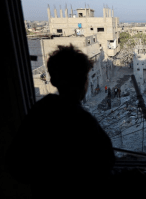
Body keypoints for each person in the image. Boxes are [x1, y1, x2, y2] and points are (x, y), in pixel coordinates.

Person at [5, 44, 116, 199]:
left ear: (53, 80)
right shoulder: (82, 120)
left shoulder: (40, 111)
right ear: (84, 82)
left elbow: (16, 164)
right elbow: (107, 163)